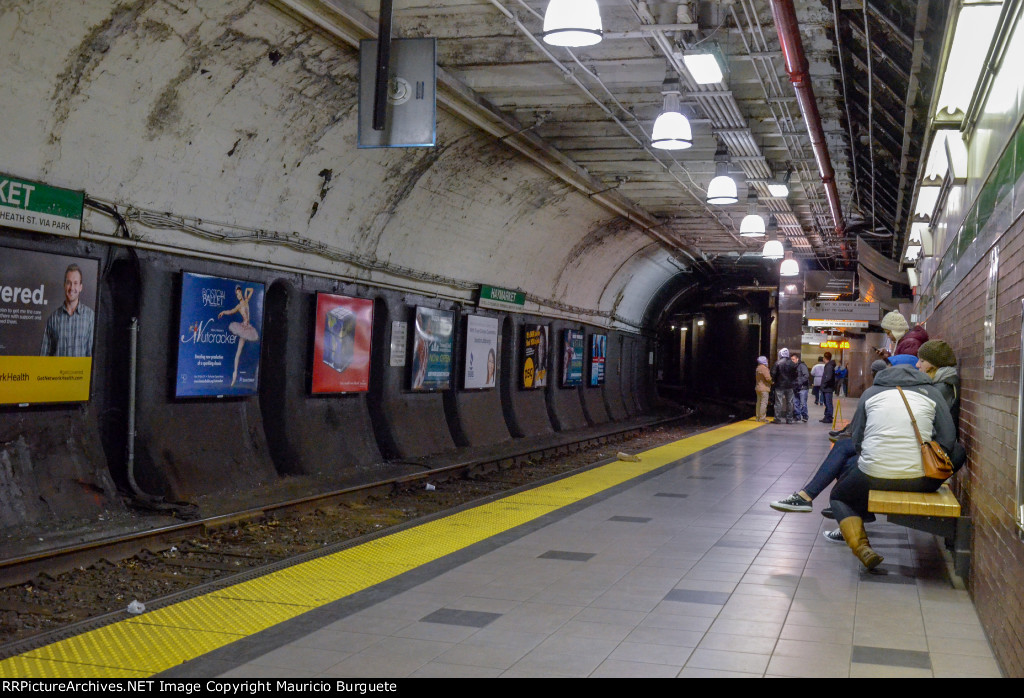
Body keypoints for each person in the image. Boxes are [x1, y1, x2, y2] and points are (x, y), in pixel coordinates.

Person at [828, 363, 956, 569]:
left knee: (839, 496)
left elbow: (857, 438)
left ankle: (861, 547)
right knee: (959, 451)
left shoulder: (870, 393)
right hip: (924, 480)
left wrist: (874, 460)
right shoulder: (932, 392)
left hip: (873, 474)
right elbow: (949, 439)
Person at [771, 359, 891, 515]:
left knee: (843, 453)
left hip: (901, 466)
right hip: (903, 460)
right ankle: (851, 512)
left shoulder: (874, 393)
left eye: (921, 361)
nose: (918, 365)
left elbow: (858, 432)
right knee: (847, 462)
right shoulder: (916, 394)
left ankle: (816, 498)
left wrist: (853, 440)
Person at [40, 263, 95, 357]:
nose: (72, 288)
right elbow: (44, 357)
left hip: (80, 372)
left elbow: (92, 357)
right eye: (69, 283)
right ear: (64, 285)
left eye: (75, 283)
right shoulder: (53, 319)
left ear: (80, 287)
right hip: (56, 372)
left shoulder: (90, 317)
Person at [218, 286, 259, 387]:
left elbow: (252, 290)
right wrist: (223, 312)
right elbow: (231, 311)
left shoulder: (246, 300)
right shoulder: (239, 306)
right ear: (237, 296)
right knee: (238, 353)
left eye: (239, 292)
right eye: (237, 294)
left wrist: (245, 291)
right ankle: (234, 376)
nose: (238, 294)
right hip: (243, 328)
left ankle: (239, 376)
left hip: (248, 327)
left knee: (241, 353)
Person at [771, 347, 797, 424]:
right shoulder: (793, 363)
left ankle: (777, 419)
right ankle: (789, 419)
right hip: (790, 386)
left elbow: (773, 373)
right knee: (790, 402)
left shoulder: (778, 363)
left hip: (779, 385)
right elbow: (796, 374)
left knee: (778, 402)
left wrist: (774, 381)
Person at [791, 352, 810, 423]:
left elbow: (806, 375)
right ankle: (797, 416)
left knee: (803, 403)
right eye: (791, 359)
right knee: (795, 402)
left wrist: (799, 382)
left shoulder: (802, 366)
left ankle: (805, 416)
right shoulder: (793, 367)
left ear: (797, 359)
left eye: (793, 359)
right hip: (795, 387)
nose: (792, 361)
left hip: (802, 387)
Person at [819, 351, 836, 423]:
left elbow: (828, 377)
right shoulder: (829, 365)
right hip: (828, 387)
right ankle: (827, 416)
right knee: (827, 402)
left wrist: (823, 385)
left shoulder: (829, 366)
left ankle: (829, 417)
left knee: (828, 403)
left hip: (827, 388)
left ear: (825, 358)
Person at [754, 356, 772, 422]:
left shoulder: (758, 368)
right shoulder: (764, 368)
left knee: (758, 403)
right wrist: (772, 382)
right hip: (764, 388)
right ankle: (762, 418)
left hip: (758, 387)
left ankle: (758, 417)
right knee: (764, 403)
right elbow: (768, 378)